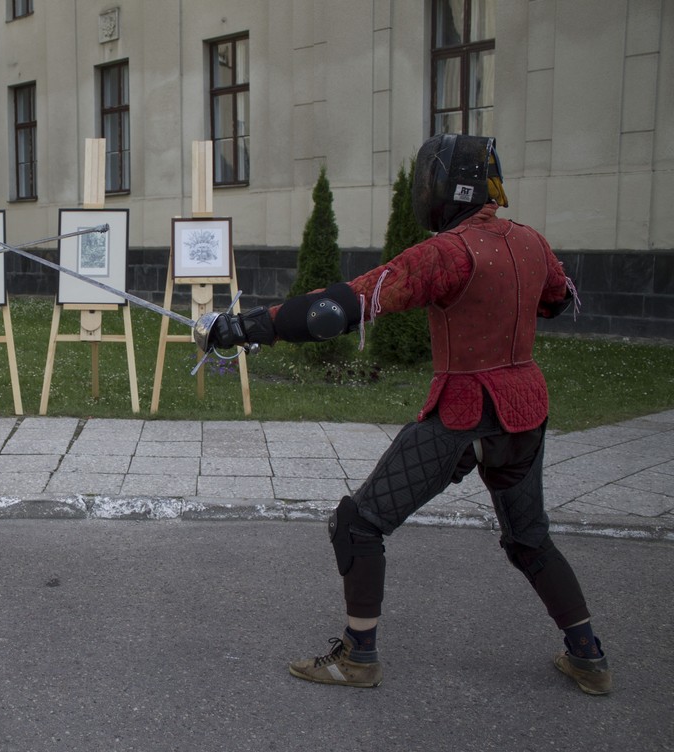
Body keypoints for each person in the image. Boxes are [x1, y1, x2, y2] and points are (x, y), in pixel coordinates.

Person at [206, 134, 611, 695]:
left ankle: (358, 656)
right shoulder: (532, 242)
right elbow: (560, 298)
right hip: (524, 409)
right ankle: (588, 656)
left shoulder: (448, 253)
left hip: (465, 412)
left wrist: (246, 326)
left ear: (446, 185)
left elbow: (338, 310)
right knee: (529, 538)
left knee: (358, 522)